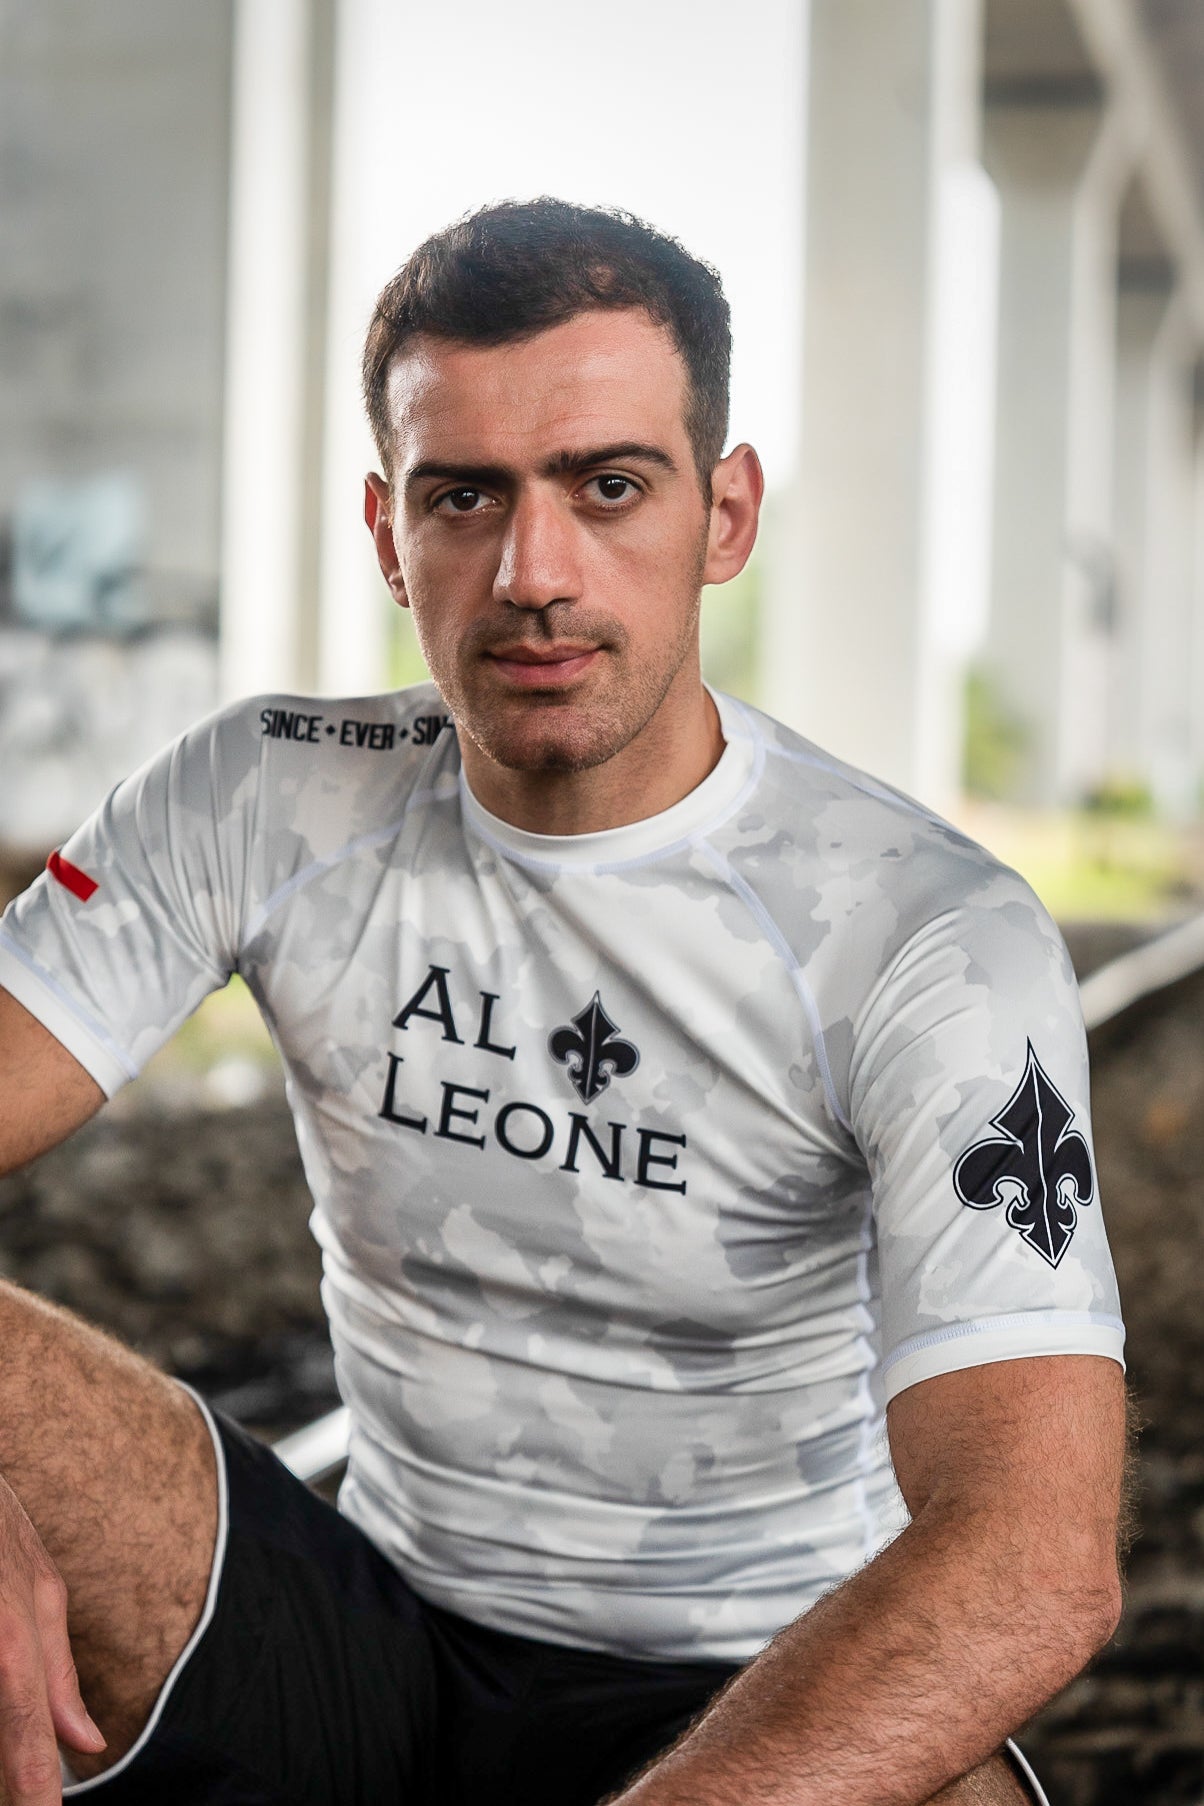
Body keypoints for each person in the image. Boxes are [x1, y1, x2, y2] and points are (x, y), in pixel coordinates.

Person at [0, 200, 1126, 1806]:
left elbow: (1035, 1556)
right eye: (464, 496)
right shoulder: (261, 793)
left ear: (724, 515)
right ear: (387, 532)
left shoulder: (921, 928)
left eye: (608, 487)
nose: (532, 573)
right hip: (365, 1636)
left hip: (748, 1679)